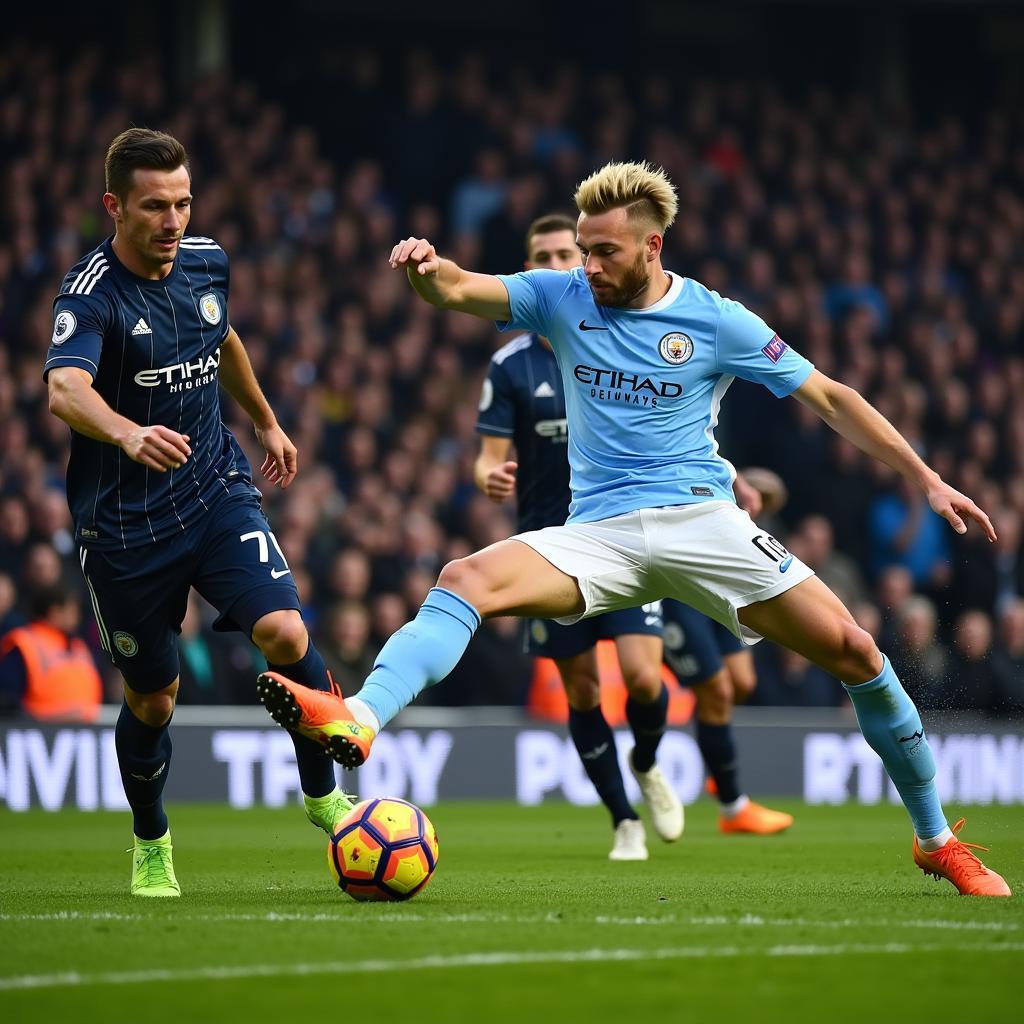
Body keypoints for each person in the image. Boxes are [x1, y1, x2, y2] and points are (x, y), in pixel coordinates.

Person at [262, 161, 1010, 897]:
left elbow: (831, 397)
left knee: (857, 651)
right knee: (464, 577)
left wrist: (928, 479)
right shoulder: (560, 297)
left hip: (704, 522)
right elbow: (458, 287)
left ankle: (935, 838)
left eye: (605, 251)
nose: (588, 265)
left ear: (652, 247)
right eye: (582, 249)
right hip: (600, 534)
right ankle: (359, 717)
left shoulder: (716, 318)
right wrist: (426, 271)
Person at [45, 128, 352, 898]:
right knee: (154, 697)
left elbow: (222, 336)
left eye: (183, 202)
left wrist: (265, 418)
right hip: (123, 527)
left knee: (286, 630)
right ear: (114, 206)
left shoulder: (207, 262)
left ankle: (322, 794)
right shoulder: (91, 297)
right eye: (155, 206)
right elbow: (64, 389)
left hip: (214, 488)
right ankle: (151, 840)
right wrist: (124, 430)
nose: (173, 220)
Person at [474, 212, 681, 861]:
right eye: (541, 255)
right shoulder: (509, 365)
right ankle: (623, 820)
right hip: (548, 551)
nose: (556, 263)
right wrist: (490, 477)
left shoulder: (621, 338)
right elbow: (487, 456)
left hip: (624, 537)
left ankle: (647, 761)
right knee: (584, 690)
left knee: (645, 679)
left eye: (567, 252)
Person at [660, 467, 794, 835]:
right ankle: (732, 806)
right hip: (676, 591)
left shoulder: (742, 530)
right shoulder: (704, 483)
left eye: (766, 503)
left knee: (742, 682)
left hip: (716, 594)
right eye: (756, 495)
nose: (758, 504)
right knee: (716, 691)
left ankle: (717, 760)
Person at [0, 584, 102, 721]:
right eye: (72, 610)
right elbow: (9, 701)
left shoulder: (79, 646)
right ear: (55, 612)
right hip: (38, 733)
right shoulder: (24, 643)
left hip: (85, 733)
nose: (77, 617)